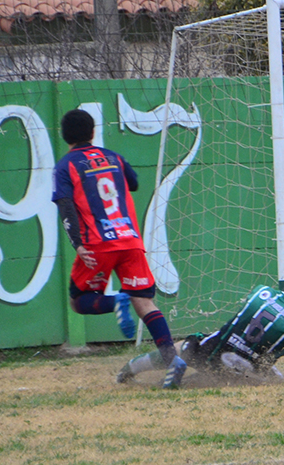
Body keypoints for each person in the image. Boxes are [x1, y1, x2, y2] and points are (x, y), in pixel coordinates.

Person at [52, 109, 186, 389]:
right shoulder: (113, 157)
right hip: (130, 239)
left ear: (65, 136)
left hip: (98, 243)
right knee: (145, 302)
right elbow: (134, 183)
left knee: (79, 301)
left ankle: (117, 301)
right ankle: (172, 358)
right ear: (92, 132)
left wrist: (77, 244)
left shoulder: (65, 166)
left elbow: (66, 206)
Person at [117, 265, 284, 384]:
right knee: (271, 377)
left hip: (210, 352)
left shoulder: (260, 292)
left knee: (178, 348)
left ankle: (128, 372)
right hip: (246, 373)